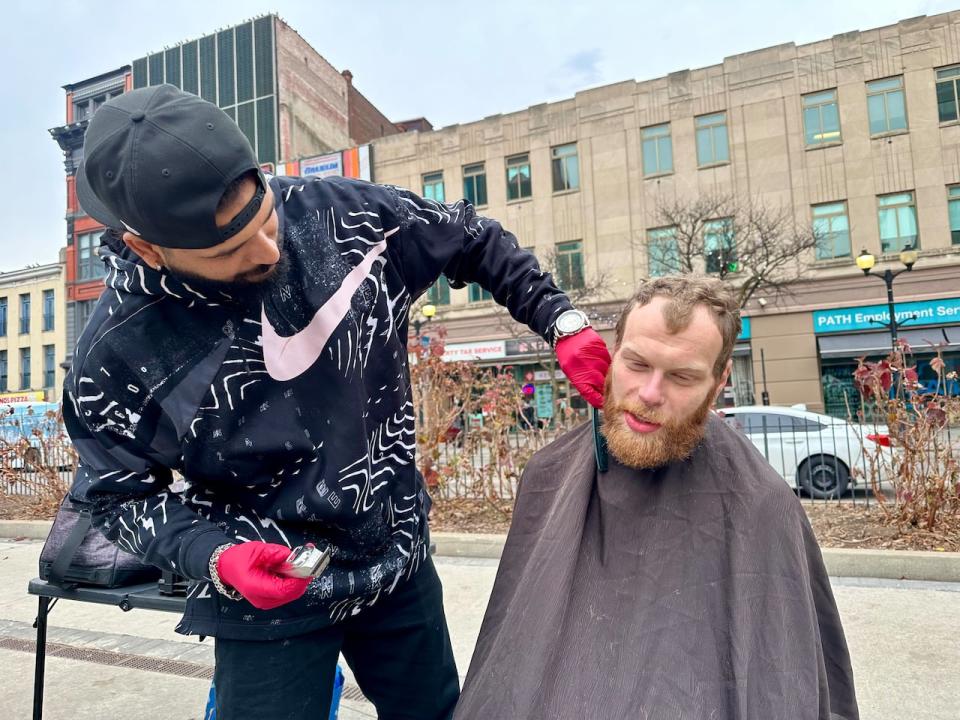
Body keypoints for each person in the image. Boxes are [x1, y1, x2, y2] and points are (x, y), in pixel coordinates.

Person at [61, 84, 611, 720]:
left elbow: (469, 236)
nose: (268, 252)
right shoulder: (118, 350)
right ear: (148, 249)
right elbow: (116, 494)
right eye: (230, 252)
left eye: (267, 220)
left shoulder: (339, 214)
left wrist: (559, 320)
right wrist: (212, 554)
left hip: (393, 552)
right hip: (267, 582)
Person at [454, 276, 859, 720]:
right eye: (636, 364)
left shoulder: (761, 502)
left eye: (682, 376)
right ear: (613, 351)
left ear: (719, 380)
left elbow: (778, 684)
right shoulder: (548, 476)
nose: (649, 394)